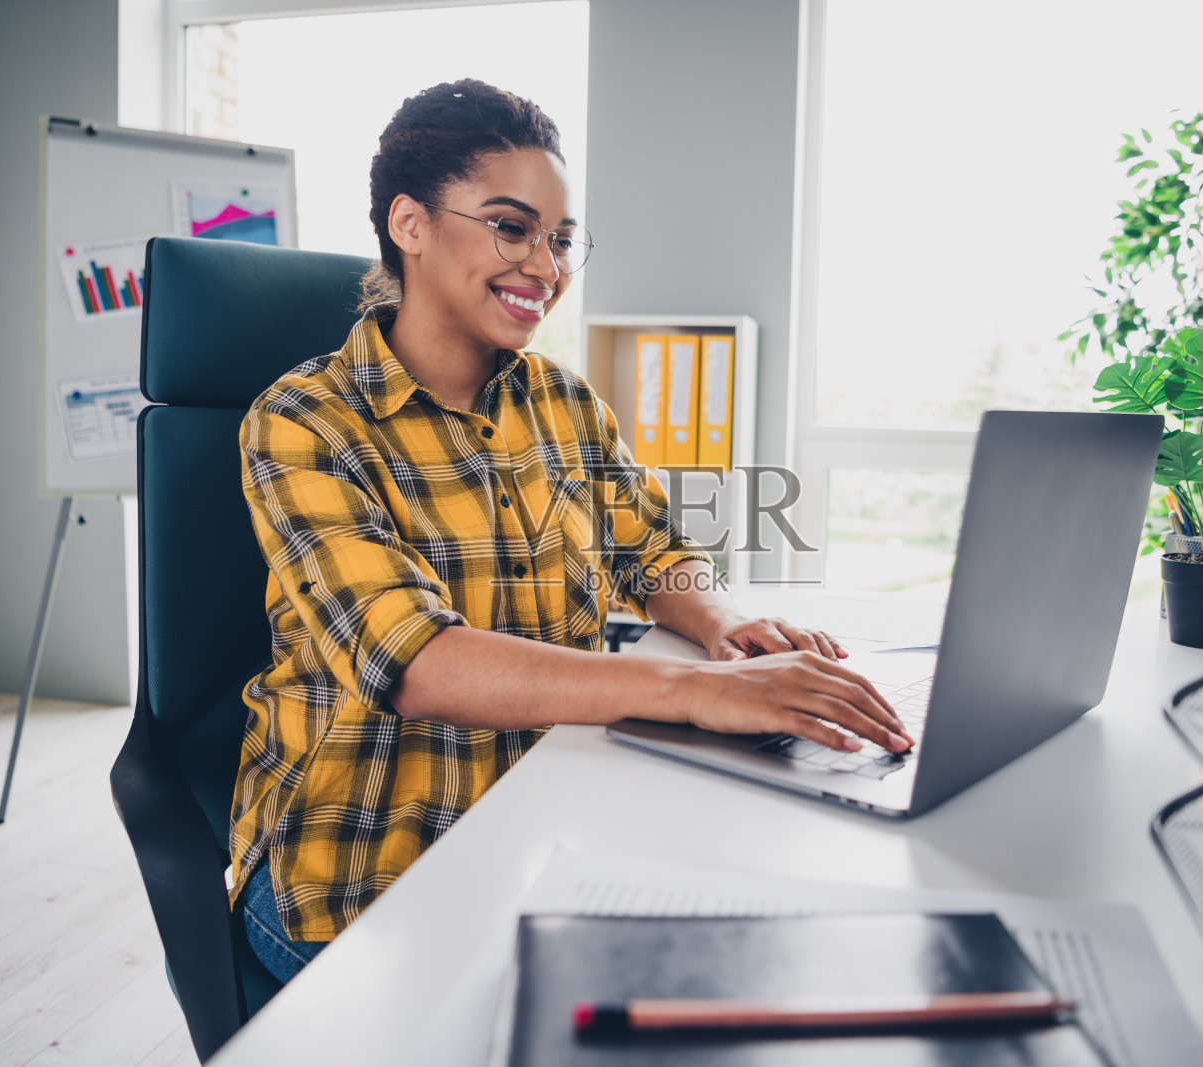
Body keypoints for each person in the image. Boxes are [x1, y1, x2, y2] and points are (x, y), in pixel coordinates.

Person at [230, 79, 912, 984]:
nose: (544, 268)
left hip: (545, 825)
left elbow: (651, 550)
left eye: (559, 240)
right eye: (512, 228)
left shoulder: (562, 402)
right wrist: (690, 690)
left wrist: (722, 627)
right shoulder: (304, 421)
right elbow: (416, 661)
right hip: (364, 875)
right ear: (411, 223)